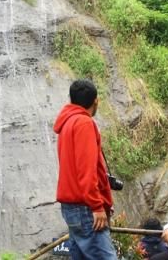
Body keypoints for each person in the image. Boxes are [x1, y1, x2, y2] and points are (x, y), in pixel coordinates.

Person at [54, 79, 118, 260]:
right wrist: (97, 206)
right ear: (95, 101)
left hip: (71, 207)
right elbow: (86, 170)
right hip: (85, 208)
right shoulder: (83, 123)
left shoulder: (67, 123)